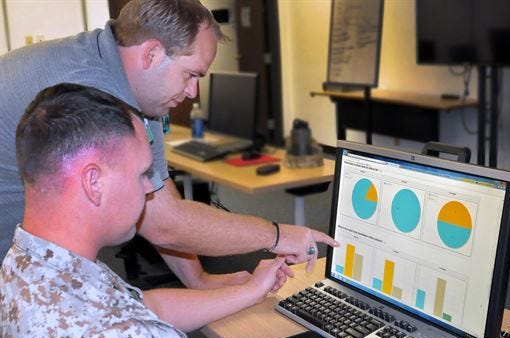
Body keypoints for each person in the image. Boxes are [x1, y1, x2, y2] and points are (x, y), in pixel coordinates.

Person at [0, 84, 510, 338]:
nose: (147, 191)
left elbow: (144, 306)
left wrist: (248, 291)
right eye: (140, 175)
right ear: (93, 182)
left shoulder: (29, 265)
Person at [0, 0, 337, 285]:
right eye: (190, 75)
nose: (192, 92)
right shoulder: (92, 92)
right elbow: (164, 223)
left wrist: (199, 280)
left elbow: (160, 199)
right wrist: (276, 235)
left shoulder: (125, 78)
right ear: (152, 54)